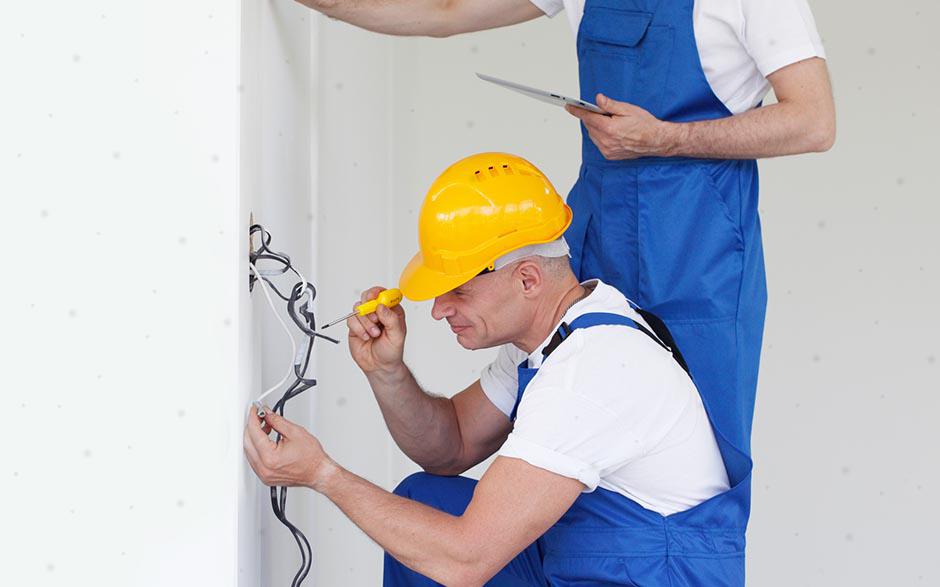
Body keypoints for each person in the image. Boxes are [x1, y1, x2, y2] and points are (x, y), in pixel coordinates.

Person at [294, 0, 835, 455]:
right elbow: (443, 8)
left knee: (690, 454)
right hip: (599, 224)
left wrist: (664, 139)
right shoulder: (543, 272)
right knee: (569, 426)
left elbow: (814, 119)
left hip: (699, 249)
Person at [245, 152, 752, 585]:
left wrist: (323, 475)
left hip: (656, 575)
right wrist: (388, 372)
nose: (440, 310)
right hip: (592, 566)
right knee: (429, 498)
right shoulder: (551, 338)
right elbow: (452, 446)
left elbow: (466, 559)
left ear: (528, 279)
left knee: (450, 543)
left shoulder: (591, 370)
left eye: (458, 289)